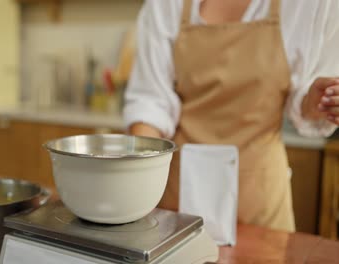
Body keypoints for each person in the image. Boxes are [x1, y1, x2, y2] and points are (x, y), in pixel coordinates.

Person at [123, 0, 339, 232]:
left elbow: (304, 98)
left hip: (260, 205)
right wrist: (139, 184)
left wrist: (318, 102)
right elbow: (150, 101)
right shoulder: (165, 5)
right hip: (178, 203)